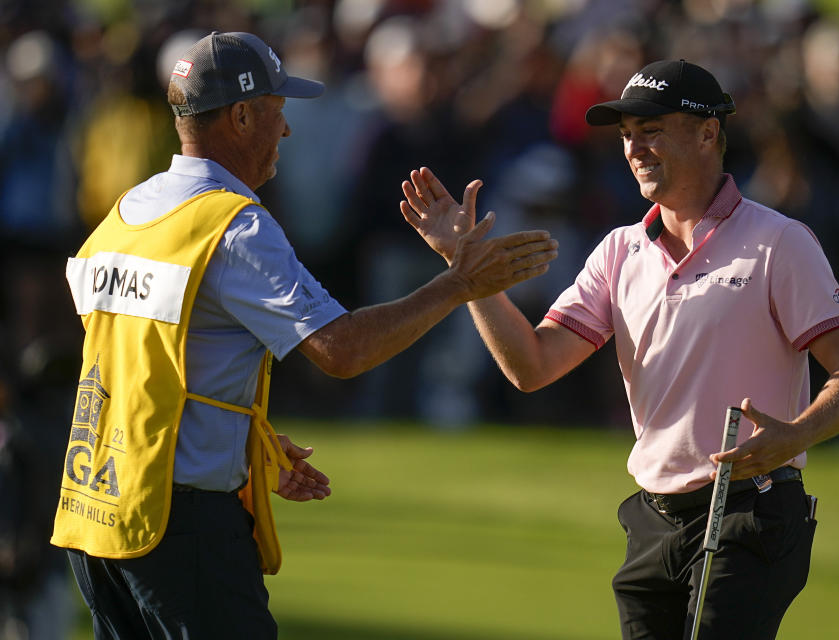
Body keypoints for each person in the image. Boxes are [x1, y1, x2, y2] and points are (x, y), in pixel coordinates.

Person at [53, 31, 557, 640]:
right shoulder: (232, 224)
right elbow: (341, 349)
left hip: (95, 514)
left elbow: (141, 365)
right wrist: (457, 285)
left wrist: (242, 434)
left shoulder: (129, 211)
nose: (285, 131)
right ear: (240, 116)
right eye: (276, 112)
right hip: (176, 523)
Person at [400, 59, 839, 639]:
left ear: (708, 132)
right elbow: (532, 365)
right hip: (653, 523)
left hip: (748, 512)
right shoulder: (619, 252)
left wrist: (796, 434)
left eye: (651, 130)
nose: (634, 149)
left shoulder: (779, 242)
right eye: (627, 136)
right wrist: (468, 275)